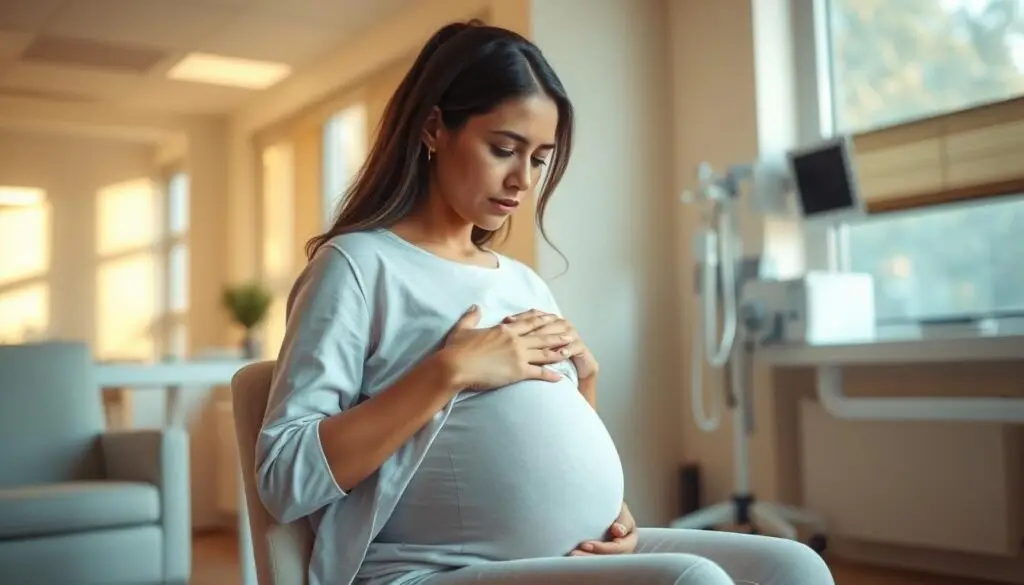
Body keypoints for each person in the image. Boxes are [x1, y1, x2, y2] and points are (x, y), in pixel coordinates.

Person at [256, 18, 835, 585]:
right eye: (504, 148)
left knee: (795, 566)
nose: (523, 180)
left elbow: (541, 446)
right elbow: (285, 478)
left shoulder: (524, 282)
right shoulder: (357, 266)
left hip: (570, 552)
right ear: (434, 128)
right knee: (694, 581)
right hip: (427, 567)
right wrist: (448, 371)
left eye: (539, 158)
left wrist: (611, 502)